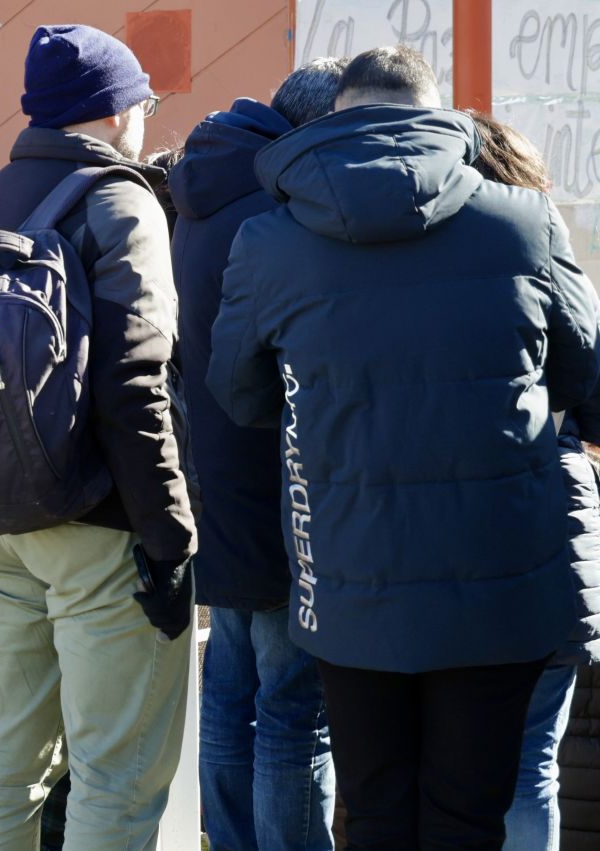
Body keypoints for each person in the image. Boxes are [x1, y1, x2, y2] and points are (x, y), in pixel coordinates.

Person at [211, 47, 600, 850]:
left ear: (337, 115)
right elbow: (583, 375)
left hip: (348, 581)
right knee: (469, 817)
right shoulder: (524, 221)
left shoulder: (267, 240)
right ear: (436, 114)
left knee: (379, 812)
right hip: (498, 582)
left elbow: (239, 393)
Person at [0, 25, 195, 848]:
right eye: (144, 101)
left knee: (8, 754)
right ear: (115, 109)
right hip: (101, 525)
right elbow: (138, 384)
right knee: (115, 772)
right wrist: (168, 536)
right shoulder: (119, 203)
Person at [168, 58, 346, 851]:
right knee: (292, 704)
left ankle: (231, 841)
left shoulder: (200, 189)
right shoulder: (284, 205)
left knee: (229, 685)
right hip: (278, 478)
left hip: (207, 475)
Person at [457, 112, 600, 851]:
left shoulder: (425, 268)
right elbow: (592, 384)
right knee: (529, 765)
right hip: (551, 531)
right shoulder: (543, 247)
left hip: (455, 557)